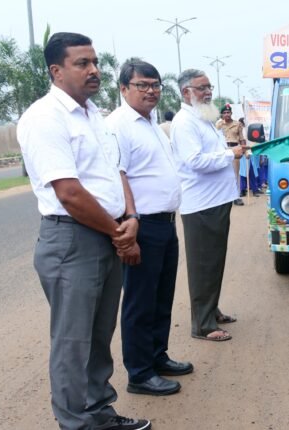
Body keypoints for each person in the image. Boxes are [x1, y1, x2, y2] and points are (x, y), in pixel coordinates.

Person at [17, 32, 150, 430]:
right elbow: (69, 193)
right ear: (56, 71)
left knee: (98, 335)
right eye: (82, 63)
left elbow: (113, 174)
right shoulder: (45, 118)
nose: (94, 70)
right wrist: (119, 231)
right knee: (72, 341)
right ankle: (75, 422)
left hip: (106, 234)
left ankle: (99, 413)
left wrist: (130, 217)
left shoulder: (93, 115)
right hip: (72, 239)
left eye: (95, 62)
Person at [106, 59, 192, 397]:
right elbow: (119, 175)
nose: (151, 91)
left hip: (166, 223)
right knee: (140, 301)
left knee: (161, 297)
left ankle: (157, 356)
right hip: (142, 224)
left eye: (155, 85)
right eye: (142, 85)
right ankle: (140, 373)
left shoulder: (152, 123)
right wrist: (130, 221)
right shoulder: (119, 125)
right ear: (123, 88)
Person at [171, 69, 245, 341]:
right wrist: (230, 154)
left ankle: (211, 311)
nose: (208, 92)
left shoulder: (202, 118)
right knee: (203, 265)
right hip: (201, 205)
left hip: (215, 201)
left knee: (214, 262)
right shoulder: (184, 122)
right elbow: (195, 161)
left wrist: (230, 152)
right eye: (201, 88)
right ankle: (203, 325)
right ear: (186, 92)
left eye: (209, 87)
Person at [215, 104, 246, 206]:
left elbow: (242, 139)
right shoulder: (219, 125)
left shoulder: (237, 124)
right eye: (224, 113)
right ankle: (225, 197)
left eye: (228, 112)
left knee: (235, 174)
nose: (226, 114)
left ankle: (236, 197)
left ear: (231, 113)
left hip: (235, 151)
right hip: (223, 150)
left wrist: (244, 151)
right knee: (223, 174)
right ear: (222, 114)